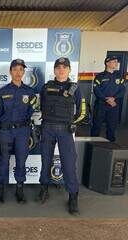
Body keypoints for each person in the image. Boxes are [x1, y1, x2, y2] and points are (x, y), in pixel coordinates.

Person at [38, 57, 86, 215]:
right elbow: (41, 106)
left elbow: (82, 111)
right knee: (45, 160)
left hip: (65, 130)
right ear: (54, 70)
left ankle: (73, 196)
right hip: (47, 128)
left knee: (69, 164)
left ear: (69, 70)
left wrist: (73, 122)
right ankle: (43, 188)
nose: (61, 70)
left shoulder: (75, 88)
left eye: (65, 67)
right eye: (58, 67)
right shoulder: (46, 87)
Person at [0, 59, 37, 204]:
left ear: (24, 72)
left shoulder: (30, 92)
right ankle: (0, 189)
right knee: (3, 161)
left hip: (23, 132)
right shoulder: (2, 91)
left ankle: (19, 189)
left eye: (21, 70)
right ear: (10, 71)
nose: (18, 72)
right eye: (15, 69)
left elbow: (31, 112)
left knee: (21, 161)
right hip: (6, 131)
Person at [91, 56, 126, 142]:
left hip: (114, 105)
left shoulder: (119, 76)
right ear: (107, 63)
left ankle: (111, 144)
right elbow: (96, 90)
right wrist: (106, 99)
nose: (116, 63)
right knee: (97, 125)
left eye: (116, 62)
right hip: (101, 104)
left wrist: (114, 98)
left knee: (112, 125)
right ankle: (92, 143)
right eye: (114, 61)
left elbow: (123, 90)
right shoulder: (100, 76)